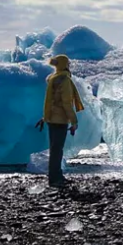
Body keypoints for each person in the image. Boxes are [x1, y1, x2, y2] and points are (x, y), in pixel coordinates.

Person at [36, 54, 84, 187]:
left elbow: (50, 101)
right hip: (60, 119)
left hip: (52, 118)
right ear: (64, 65)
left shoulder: (53, 79)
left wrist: (45, 117)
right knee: (57, 149)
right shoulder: (64, 80)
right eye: (68, 64)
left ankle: (56, 175)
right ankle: (55, 178)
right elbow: (67, 103)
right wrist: (74, 121)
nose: (69, 66)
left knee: (55, 149)